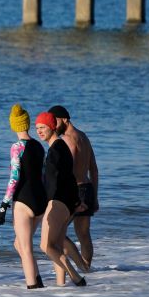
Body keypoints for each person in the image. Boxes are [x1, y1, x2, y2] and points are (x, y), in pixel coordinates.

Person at [0, 104, 48, 289]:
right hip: (40, 199)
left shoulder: (17, 147)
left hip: (24, 202)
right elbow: (42, 176)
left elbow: (14, 177)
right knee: (18, 244)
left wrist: (3, 205)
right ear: (27, 124)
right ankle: (38, 279)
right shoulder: (39, 147)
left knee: (25, 250)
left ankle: (33, 289)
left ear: (13, 125)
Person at [35, 112, 87, 287]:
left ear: (51, 127)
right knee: (56, 246)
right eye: (37, 128)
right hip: (66, 204)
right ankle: (61, 286)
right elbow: (69, 178)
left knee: (45, 246)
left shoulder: (55, 150)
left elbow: (52, 181)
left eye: (42, 127)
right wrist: (76, 202)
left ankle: (76, 277)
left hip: (56, 202)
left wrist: (43, 203)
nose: (39, 132)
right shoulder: (62, 147)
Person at [49, 105, 99, 270]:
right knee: (84, 234)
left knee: (57, 234)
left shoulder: (68, 139)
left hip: (76, 191)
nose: (52, 126)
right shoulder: (83, 136)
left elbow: (67, 170)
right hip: (88, 188)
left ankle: (79, 266)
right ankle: (87, 268)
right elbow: (94, 168)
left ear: (64, 119)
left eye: (54, 122)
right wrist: (95, 196)